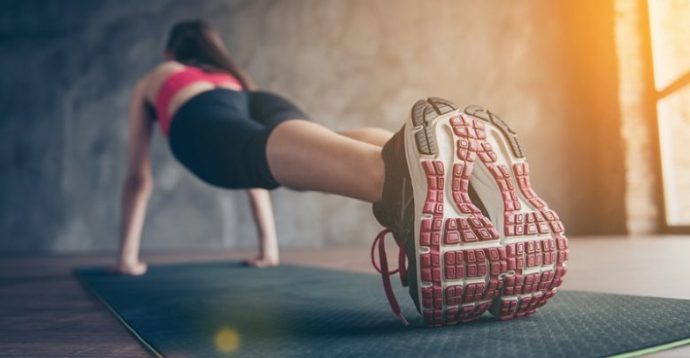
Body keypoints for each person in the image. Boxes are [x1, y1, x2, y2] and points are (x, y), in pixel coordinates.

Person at [119, 19, 569, 327]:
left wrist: (128, 258)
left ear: (171, 50)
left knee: (256, 153)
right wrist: (267, 248)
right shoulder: (235, 79)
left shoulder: (162, 73)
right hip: (266, 102)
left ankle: (399, 187)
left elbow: (139, 177)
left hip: (200, 119)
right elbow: (263, 170)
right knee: (300, 143)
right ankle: (436, 172)